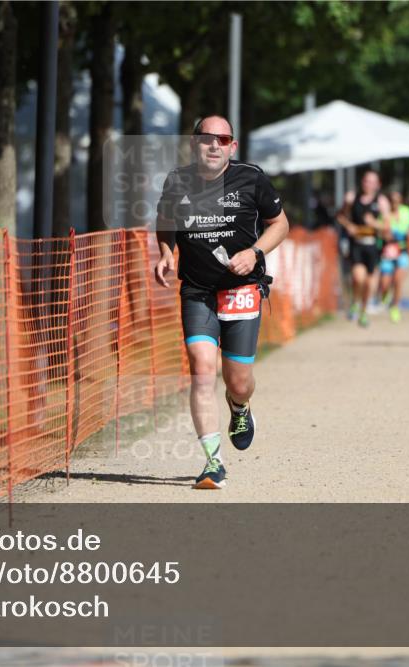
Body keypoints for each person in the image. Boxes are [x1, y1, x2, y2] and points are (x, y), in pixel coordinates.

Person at [153, 115, 289, 489]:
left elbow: (281, 224)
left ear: (233, 146)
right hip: (197, 290)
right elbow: (165, 220)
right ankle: (213, 463)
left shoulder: (252, 177)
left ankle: (240, 406)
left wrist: (256, 253)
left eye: (222, 138)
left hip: (241, 289)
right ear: (194, 143)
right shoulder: (176, 181)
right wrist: (166, 252)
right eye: (206, 138)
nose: (214, 145)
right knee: (201, 368)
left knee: (239, 380)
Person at [337, 169, 390, 327]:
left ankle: (364, 311)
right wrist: (350, 226)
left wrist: (374, 224)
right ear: (362, 182)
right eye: (366, 181)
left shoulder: (381, 201)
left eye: (373, 182)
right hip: (357, 245)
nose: (369, 185)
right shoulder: (352, 198)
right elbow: (340, 216)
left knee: (369, 284)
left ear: (378, 185)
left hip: (373, 245)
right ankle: (355, 302)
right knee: (358, 278)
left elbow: (387, 227)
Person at [378, 191, 409, 323]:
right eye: (392, 200)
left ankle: (395, 306)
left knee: (398, 280)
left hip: (402, 250)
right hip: (387, 251)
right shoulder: (383, 213)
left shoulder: (407, 212)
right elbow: (379, 229)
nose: (395, 203)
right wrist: (385, 234)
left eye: (397, 200)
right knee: (385, 282)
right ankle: (385, 295)